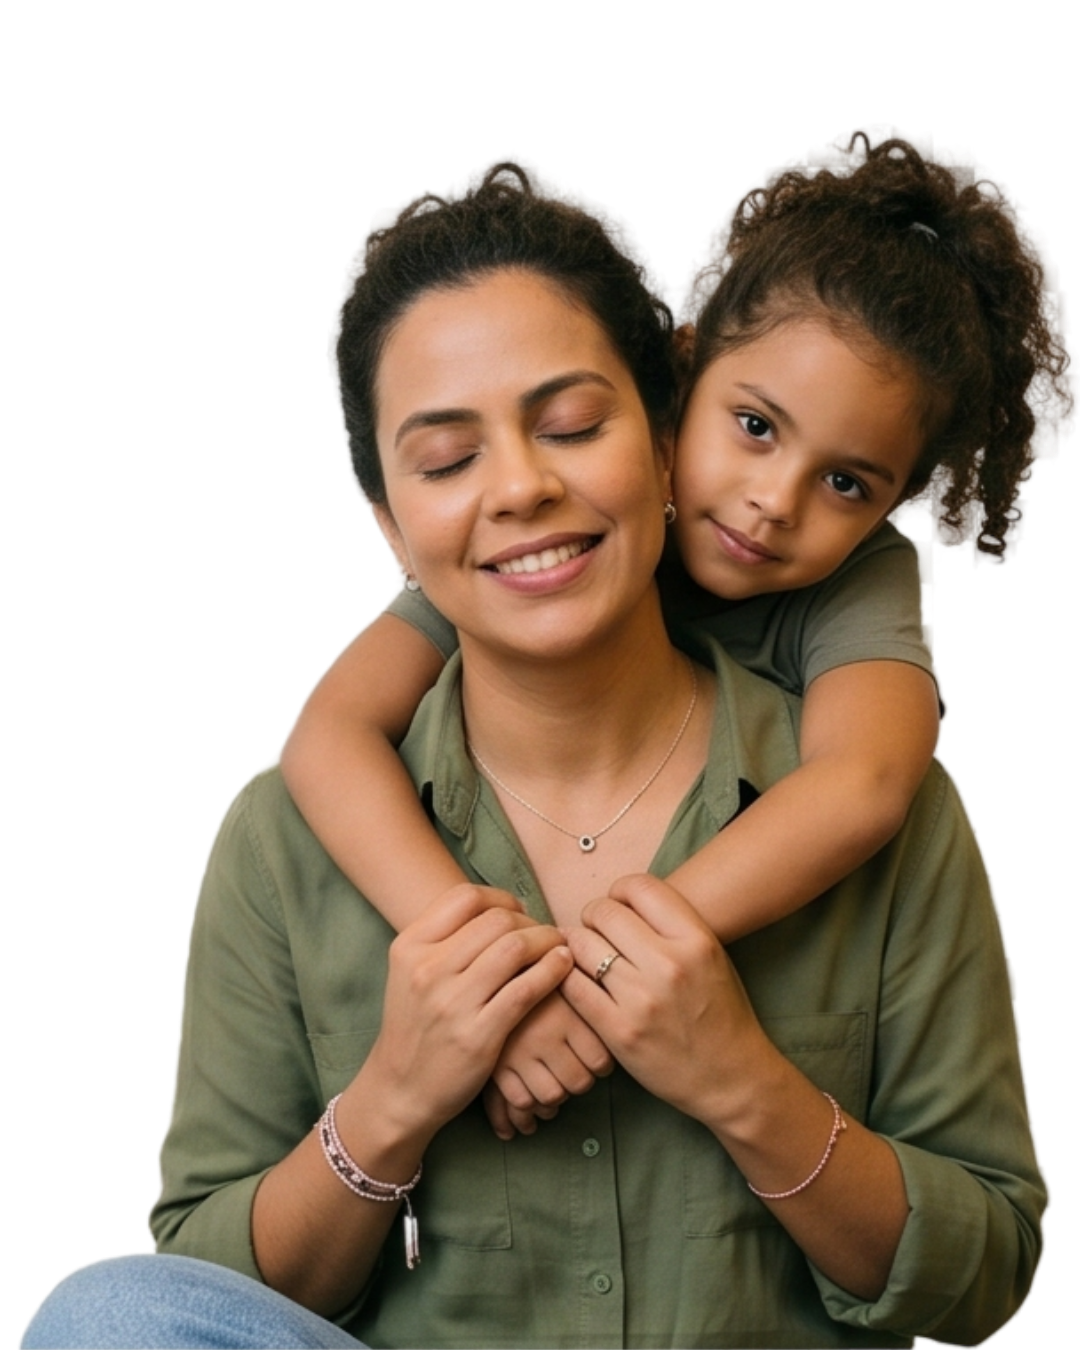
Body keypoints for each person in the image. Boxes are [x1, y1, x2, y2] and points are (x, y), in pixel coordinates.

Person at [21, 155, 1048, 1349]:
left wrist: (742, 1084)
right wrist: (395, 1100)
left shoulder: (884, 783)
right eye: (449, 461)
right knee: (103, 1318)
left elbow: (990, 1273)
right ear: (389, 523)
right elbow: (196, 1298)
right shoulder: (286, 830)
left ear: (661, 433)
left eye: (568, 425)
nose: (519, 486)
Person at [276, 129, 1073, 1138]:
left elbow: (865, 784)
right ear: (681, 378)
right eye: (754, 425)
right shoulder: (546, 538)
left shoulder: (861, 584)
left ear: (893, 504)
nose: (773, 503)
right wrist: (492, 978)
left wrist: (608, 964)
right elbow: (327, 736)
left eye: (845, 483)